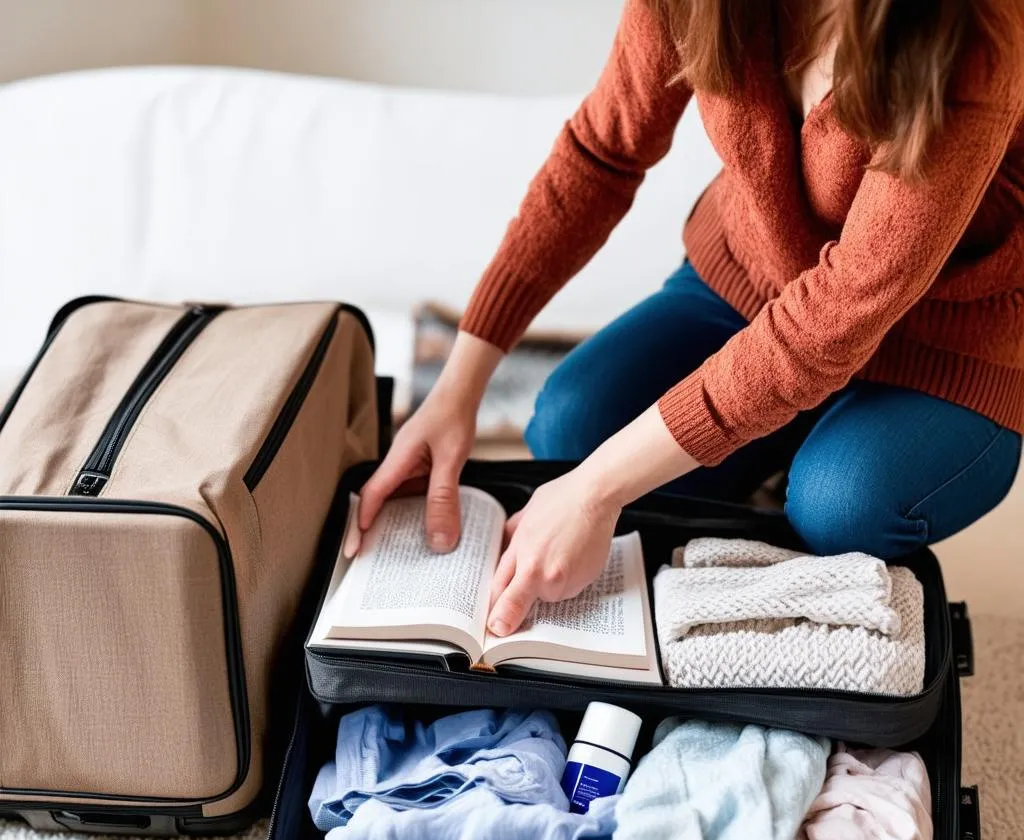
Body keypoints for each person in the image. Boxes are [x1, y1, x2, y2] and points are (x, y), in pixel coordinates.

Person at [359, 0, 1024, 637]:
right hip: (753, 281)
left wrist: (596, 492)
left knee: (842, 507)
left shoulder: (976, 29)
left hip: (950, 334)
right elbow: (602, 151)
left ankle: (796, 460)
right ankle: (769, 445)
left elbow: (841, 311)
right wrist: (458, 388)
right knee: (571, 422)